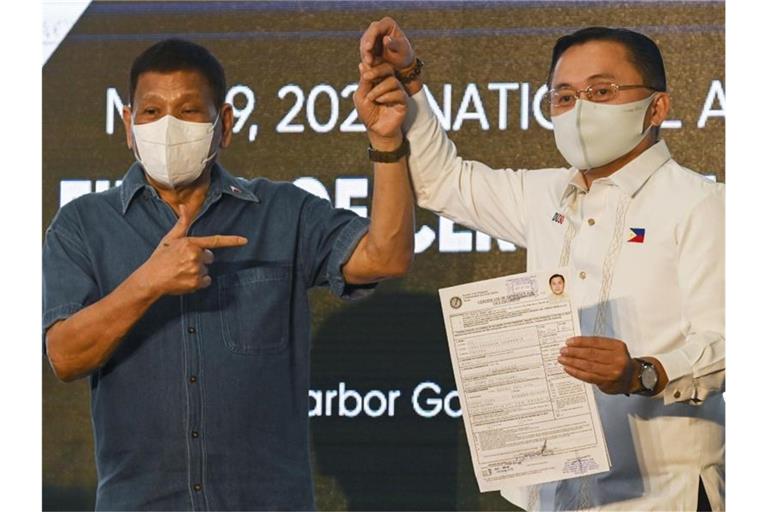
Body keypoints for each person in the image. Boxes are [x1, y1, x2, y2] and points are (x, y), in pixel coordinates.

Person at [359, 18, 724, 511]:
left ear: (656, 107)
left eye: (602, 91)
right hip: (556, 494)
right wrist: (408, 81)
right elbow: (443, 183)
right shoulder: (547, 193)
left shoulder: (702, 204)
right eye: (564, 97)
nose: (580, 110)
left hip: (663, 495)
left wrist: (643, 373)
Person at [43, 39, 414, 510]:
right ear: (128, 126)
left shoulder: (283, 212)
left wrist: (386, 143)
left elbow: (386, 257)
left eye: (188, 111)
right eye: (151, 111)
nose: (168, 126)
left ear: (225, 124)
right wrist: (148, 282)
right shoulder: (83, 224)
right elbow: (64, 357)